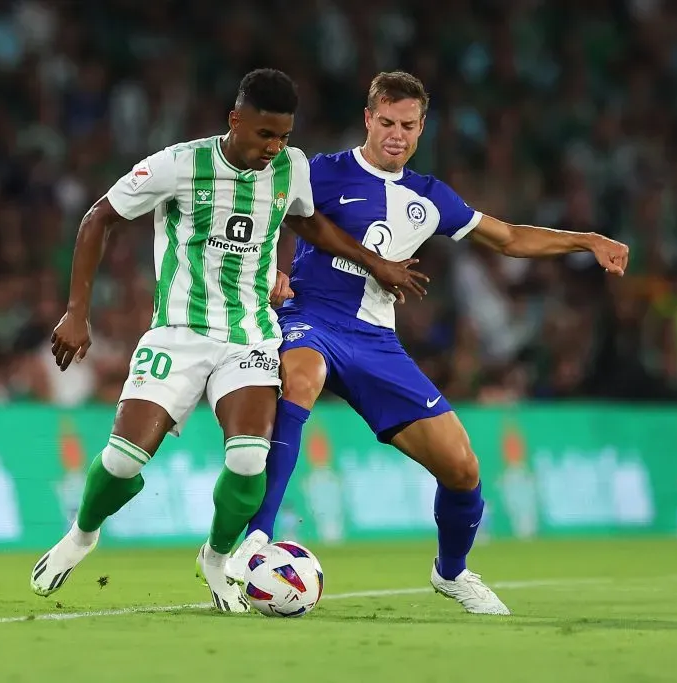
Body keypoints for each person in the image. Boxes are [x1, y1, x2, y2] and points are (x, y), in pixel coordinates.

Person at [226, 71, 630, 615]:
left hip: (375, 342)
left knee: (463, 469)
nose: (396, 134)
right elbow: (262, 211)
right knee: (301, 378)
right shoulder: (320, 171)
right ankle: (256, 538)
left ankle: (452, 572)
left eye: (408, 125)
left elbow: (508, 238)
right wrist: (273, 269)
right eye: (386, 122)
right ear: (368, 119)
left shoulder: (430, 197)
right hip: (312, 319)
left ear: (422, 128)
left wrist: (584, 239)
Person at [30, 68, 427, 612]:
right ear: (235, 120)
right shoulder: (179, 164)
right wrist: (77, 312)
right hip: (178, 332)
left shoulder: (292, 167)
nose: (274, 147)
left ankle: (217, 558)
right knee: (123, 460)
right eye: (265, 134)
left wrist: (374, 263)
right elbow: (98, 219)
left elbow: (310, 225)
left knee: (247, 461)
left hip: (250, 336)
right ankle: (83, 533)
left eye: (284, 135)